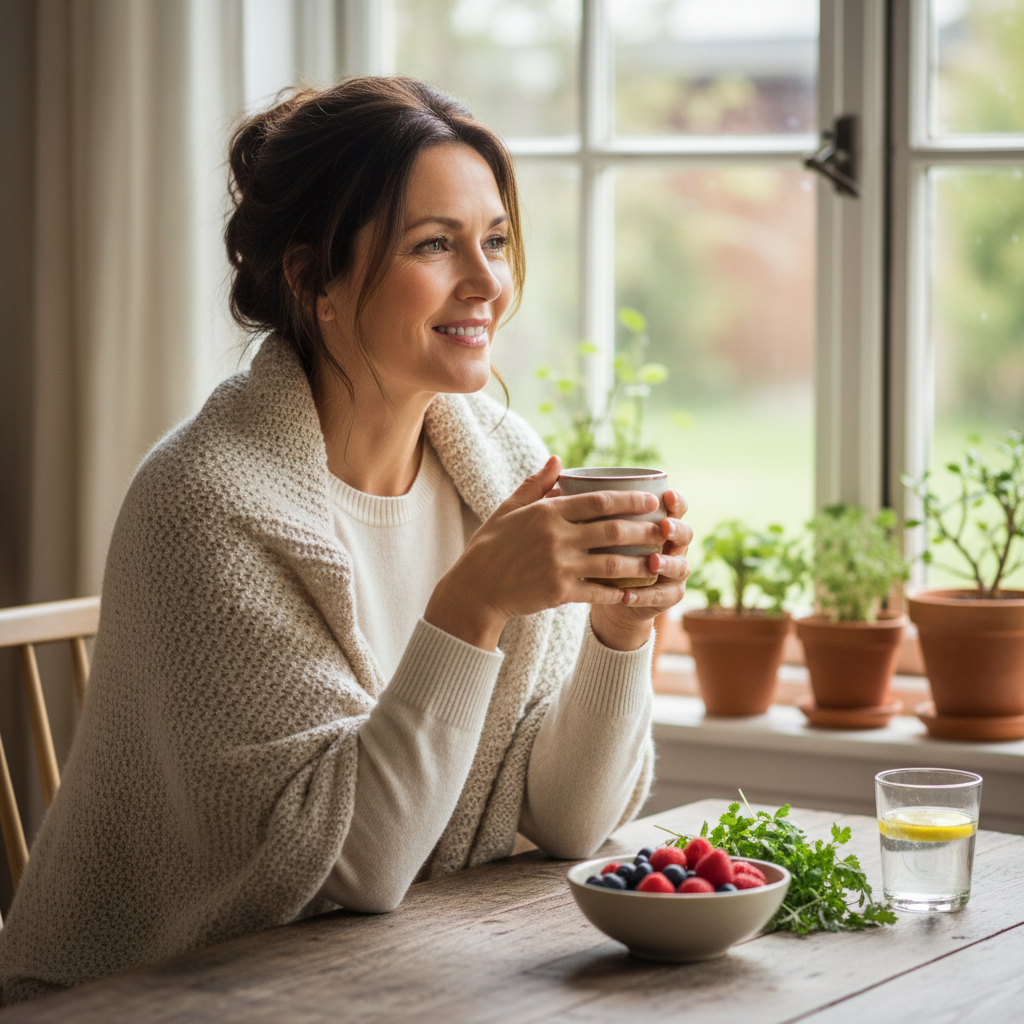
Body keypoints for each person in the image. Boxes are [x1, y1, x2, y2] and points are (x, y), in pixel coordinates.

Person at [0, 76, 691, 1003]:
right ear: (312, 278)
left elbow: (570, 822)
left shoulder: (501, 462)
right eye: (435, 244)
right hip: (139, 993)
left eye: (494, 241)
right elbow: (356, 867)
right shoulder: (206, 502)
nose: (488, 282)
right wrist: (473, 601)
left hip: (378, 976)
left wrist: (622, 627)